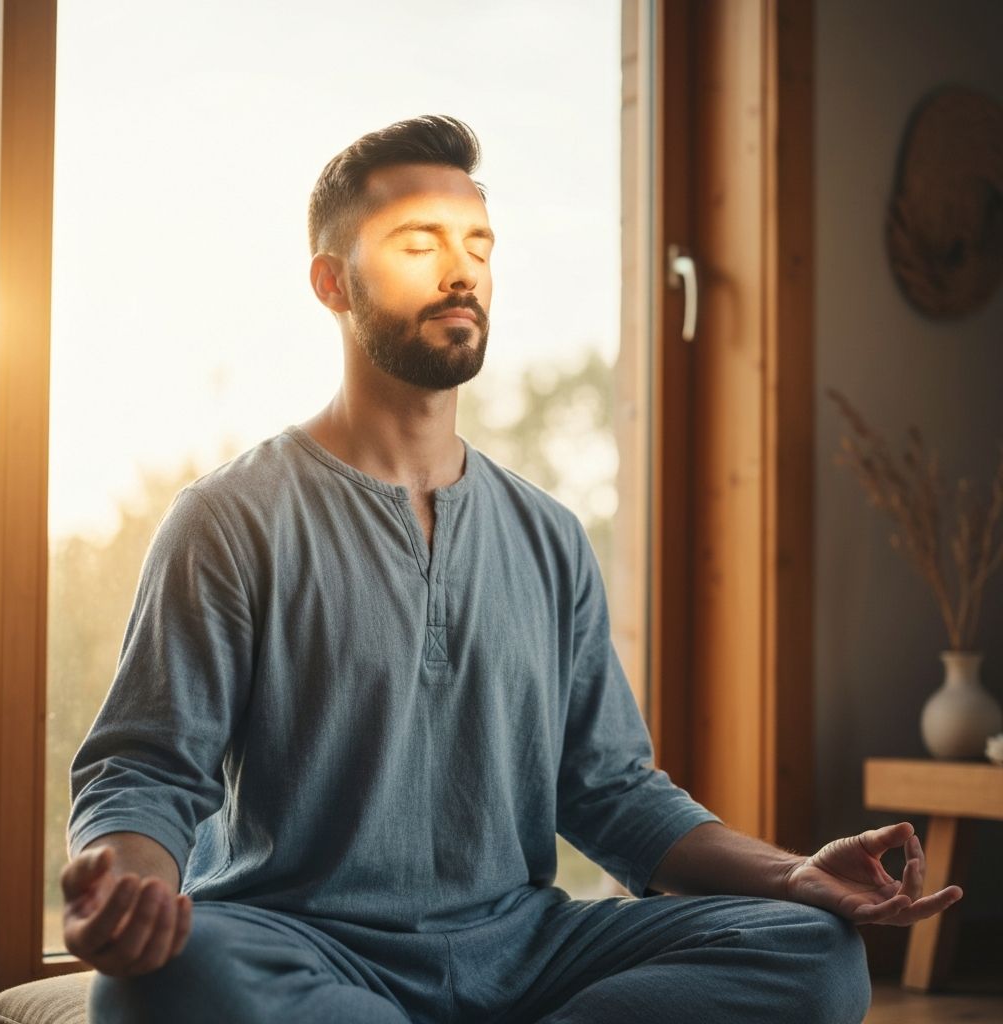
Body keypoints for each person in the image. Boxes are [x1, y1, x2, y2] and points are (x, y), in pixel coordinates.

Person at [62, 115, 962, 1024]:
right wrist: (128, 887)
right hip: (301, 942)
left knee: (812, 950)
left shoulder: (550, 534)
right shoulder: (228, 518)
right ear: (332, 283)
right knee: (159, 983)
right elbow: (145, 770)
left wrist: (795, 873)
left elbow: (609, 791)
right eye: (420, 243)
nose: (462, 271)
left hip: (524, 946)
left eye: (478, 245)